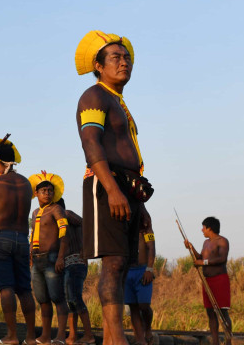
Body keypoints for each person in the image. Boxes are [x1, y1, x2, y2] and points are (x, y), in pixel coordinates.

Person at [75, 30, 153, 345]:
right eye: (116, 58)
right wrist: (112, 188)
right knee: (114, 262)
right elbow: (90, 143)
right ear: (98, 65)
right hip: (106, 182)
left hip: (128, 186)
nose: (124, 63)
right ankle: (117, 340)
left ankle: (110, 339)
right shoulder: (94, 96)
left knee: (123, 265)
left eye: (127, 57)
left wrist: (138, 199)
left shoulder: (118, 101)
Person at [0, 135, 36, 345]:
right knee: (25, 289)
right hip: (22, 239)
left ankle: (12, 336)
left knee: (6, 288)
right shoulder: (28, 185)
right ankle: (30, 337)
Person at [28, 171, 69, 345]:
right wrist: (30, 255)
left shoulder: (57, 209)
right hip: (36, 260)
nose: (47, 193)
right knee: (42, 299)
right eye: (43, 190)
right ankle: (45, 336)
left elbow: (64, 233)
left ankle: (60, 336)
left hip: (52, 258)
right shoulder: (35, 212)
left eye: (50, 190)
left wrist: (61, 257)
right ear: (36, 193)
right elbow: (33, 235)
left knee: (57, 297)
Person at [184, 217, 232, 345]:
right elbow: (199, 258)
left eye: (203, 227)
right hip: (207, 281)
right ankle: (215, 342)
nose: (202, 230)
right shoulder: (206, 243)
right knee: (210, 312)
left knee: (222, 312)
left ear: (209, 227)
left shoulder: (222, 241)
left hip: (220, 280)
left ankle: (228, 341)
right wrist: (191, 248)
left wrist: (203, 262)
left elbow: (222, 259)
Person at [57, 199, 95, 345]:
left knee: (75, 299)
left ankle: (89, 335)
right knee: (70, 301)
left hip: (76, 262)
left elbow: (87, 224)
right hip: (68, 264)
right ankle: (72, 336)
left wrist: (84, 249)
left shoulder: (66, 214)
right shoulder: (58, 221)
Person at [125, 221, 155, 345]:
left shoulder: (147, 231)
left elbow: (152, 248)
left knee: (144, 305)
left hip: (143, 271)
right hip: (128, 271)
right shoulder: (124, 231)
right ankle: (140, 338)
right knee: (133, 307)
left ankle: (147, 328)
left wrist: (149, 269)